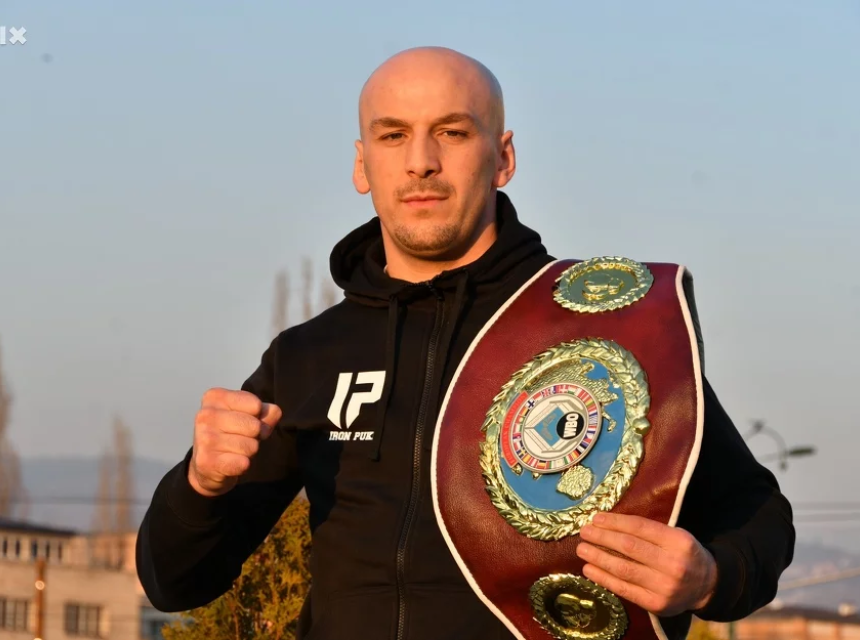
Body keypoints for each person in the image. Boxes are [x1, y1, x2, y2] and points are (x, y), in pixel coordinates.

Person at [136, 47, 795, 640]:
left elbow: (757, 515)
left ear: (503, 157)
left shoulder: (604, 326)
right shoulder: (309, 355)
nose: (421, 160)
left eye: (452, 132)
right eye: (393, 135)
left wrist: (709, 576)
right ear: (362, 165)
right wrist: (200, 485)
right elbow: (175, 583)